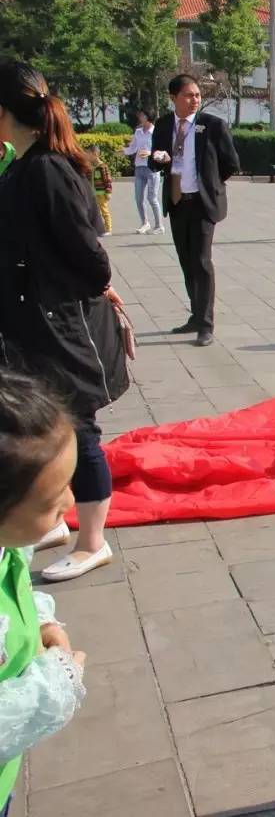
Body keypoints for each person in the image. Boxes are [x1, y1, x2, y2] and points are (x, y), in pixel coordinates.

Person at [0, 61, 130, 582]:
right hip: (33, 322)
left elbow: (89, 255)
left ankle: (93, 541)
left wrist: (95, 286)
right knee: (40, 425)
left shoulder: (47, 169)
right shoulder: (25, 164)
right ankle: (53, 520)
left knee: (78, 426)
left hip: (61, 325)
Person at [0, 370, 89, 815]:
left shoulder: (8, 546)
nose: (71, 502)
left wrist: (39, 619)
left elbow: (13, 584)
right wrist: (55, 684)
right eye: (52, 501)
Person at [148, 74, 241, 348]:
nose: (195, 100)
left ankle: (206, 324)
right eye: (189, 95)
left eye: (197, 95)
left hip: (202, 203)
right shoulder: (164, 125)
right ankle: (195, 314)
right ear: (173, 98)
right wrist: (158, 159)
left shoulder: (212, 125)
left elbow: (231, 163)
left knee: (201, 261)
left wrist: (211, 183)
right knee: (186, 261)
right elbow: (156, 160)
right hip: (177, 201)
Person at [121, 109, 164, 235]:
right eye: (139, 115)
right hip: (139, 168)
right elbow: (133, 148)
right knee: (138, 198)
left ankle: (159, 226)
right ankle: (145, 223)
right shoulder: (138, 132)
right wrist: (123, 151)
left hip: (152, 168)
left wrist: (150, 153)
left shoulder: (156, 132)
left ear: (149, 117)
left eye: (142, 115)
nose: (140, 117)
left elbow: (162, 151)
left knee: (152, 198)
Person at [87, 144, 112, 236]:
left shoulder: (103, 166)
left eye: (88, 153)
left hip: (101, 193)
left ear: (95, 154)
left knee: (104, 211)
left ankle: (108, 229)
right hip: (93, 193)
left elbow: (107, 180)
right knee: (93, 211)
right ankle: (97, 228)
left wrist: (108, 192)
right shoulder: (91, 167)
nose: (87, 156)